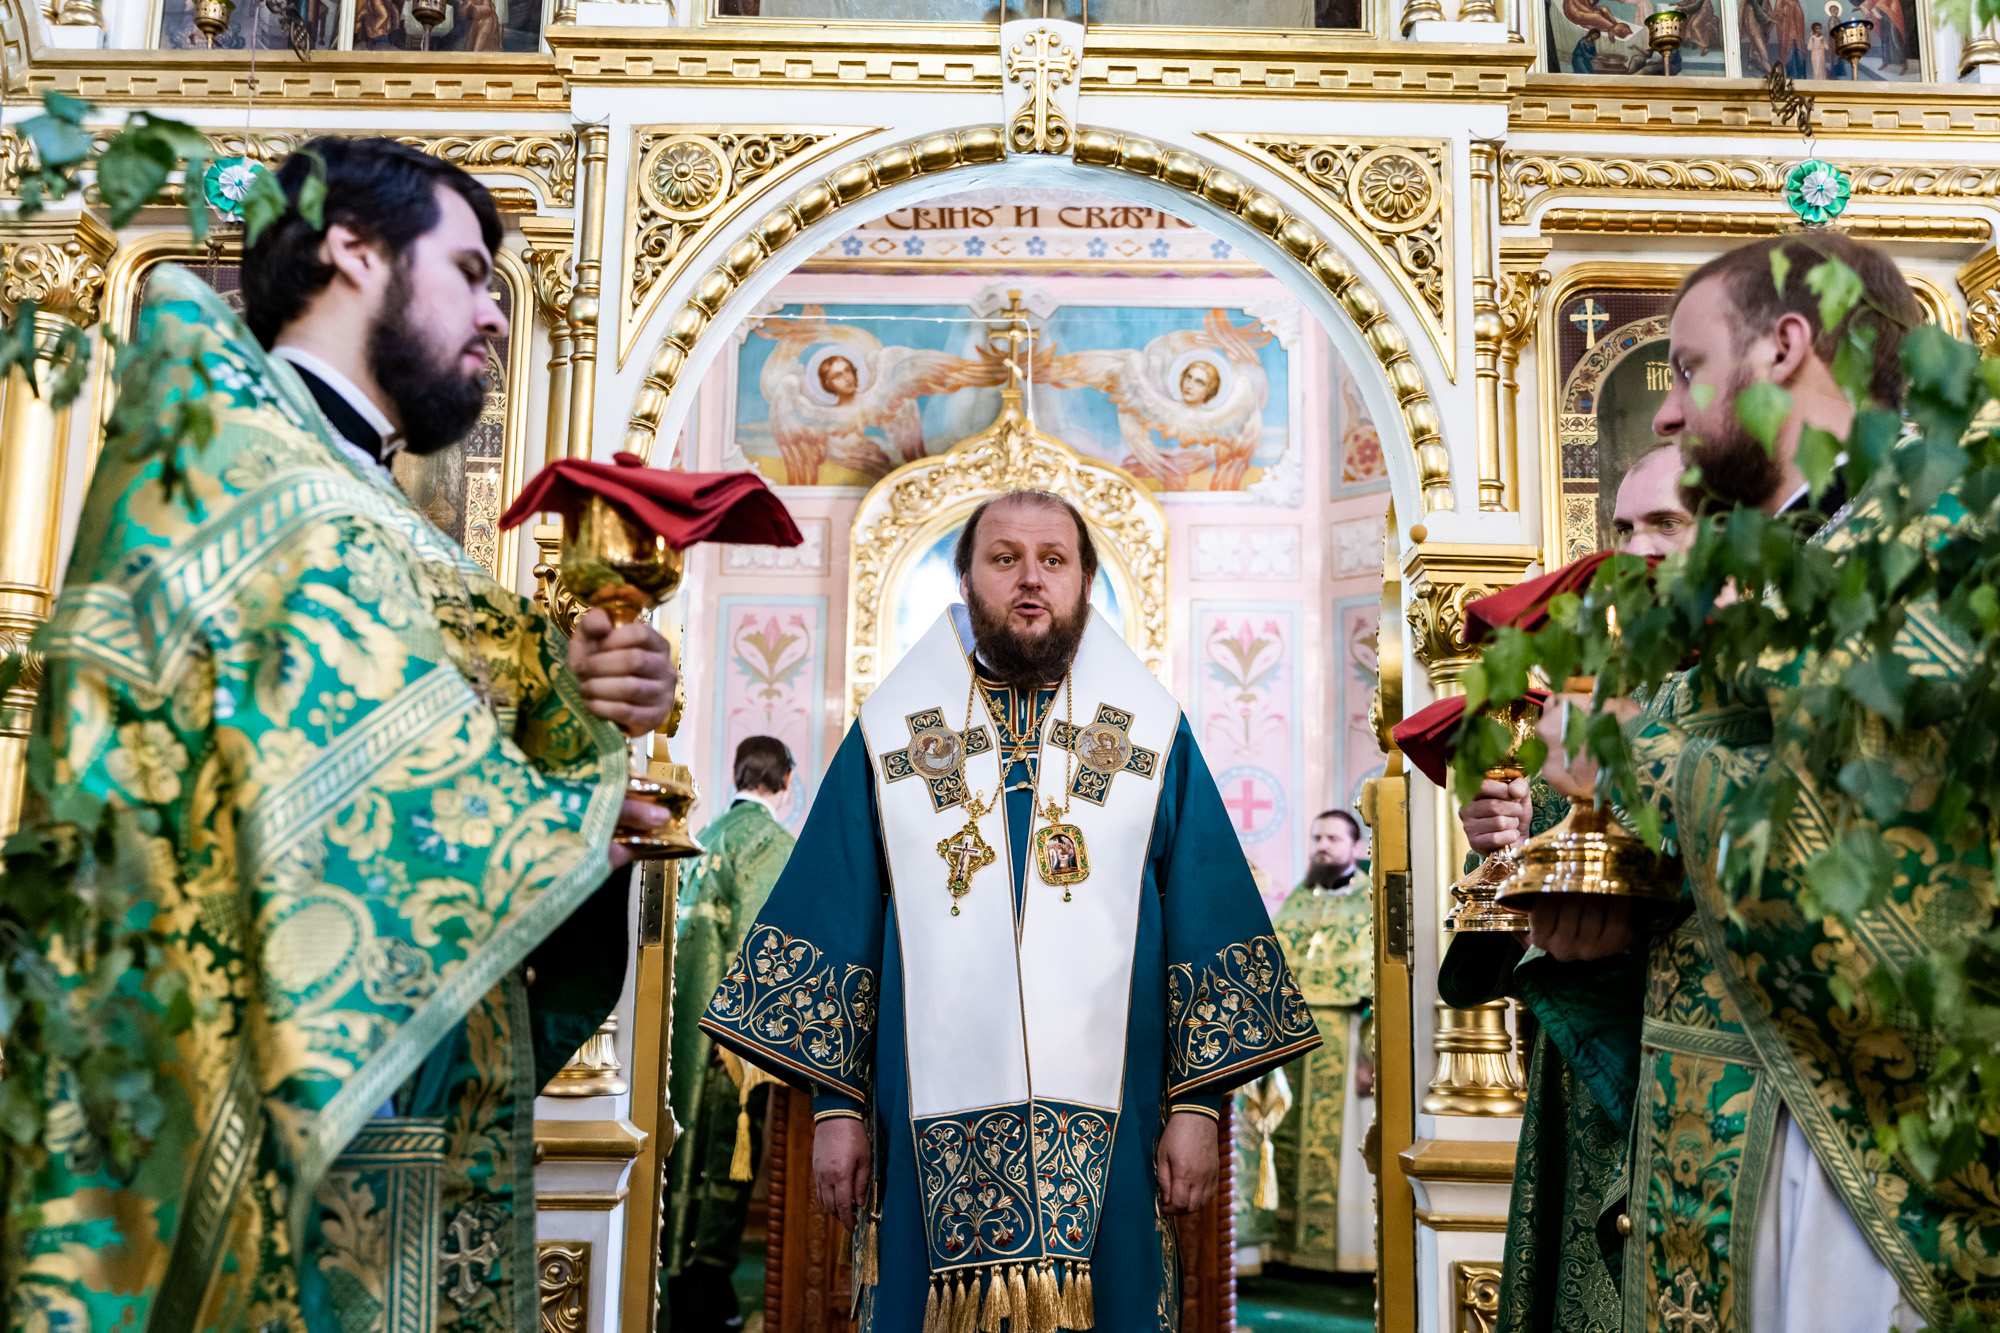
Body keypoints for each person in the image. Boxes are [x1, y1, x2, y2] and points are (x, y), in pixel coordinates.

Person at [5, 138, 680, 1330]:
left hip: (413, 1128)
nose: (493, 315)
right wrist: (559, 816)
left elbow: (444, 757)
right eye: (470, 271)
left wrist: (576, 730)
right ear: (351, 248)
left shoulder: (371, 511)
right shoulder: (236, 460)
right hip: (250, 1119)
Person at [701, 488, 1317, 1327]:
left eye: (1053, 560)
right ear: (965, 580)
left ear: (1085, 584)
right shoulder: (893, 735)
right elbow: (836, 917)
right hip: (921, 1124)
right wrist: (839, 1109)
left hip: (1120, 1116)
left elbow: (1207, 923)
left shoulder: (1148, 734)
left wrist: (1199, 1109)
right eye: (1005, 559)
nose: (1031, 579)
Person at [1517, 235, 1940, 1333]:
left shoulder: (1935, 533)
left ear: (1785, 347)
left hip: (1876, 1151)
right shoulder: (1795, 551)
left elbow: (1883, 843)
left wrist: (1626, 762)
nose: (1664, 413)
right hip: (1752, 1125)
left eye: (1687, 368)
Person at [1440, 437, 1697, 1333]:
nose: (1636, 551)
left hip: (1692, 1090)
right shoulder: (1578, 705)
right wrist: (1500, 855)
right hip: (1581, 1107)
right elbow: (1484, 965)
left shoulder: (1755, 697)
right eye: (1622, 528)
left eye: (1666, 522)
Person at [666, 737, 802, 1333]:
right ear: (788, 781)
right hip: (730, 1040)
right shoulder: (773, 845)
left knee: (685, 1147)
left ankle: (676, 1275)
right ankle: (706, 1290)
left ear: (737, 774)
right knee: (724, 1153)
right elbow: (763, 947)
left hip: (679, 1031)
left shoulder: (699, 837)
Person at [1236, 809, 1376, 1273]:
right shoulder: (1296, 901)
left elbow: (1379, 986)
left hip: (1345, 1038)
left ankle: (1341, 1255)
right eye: (1317, 836)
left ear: (1355, 847)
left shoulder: (1370, 900)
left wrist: (1372, 1057)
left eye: (1334, 837)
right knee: (1285, 1136)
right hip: (1291, 1042)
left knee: (1341, 1149)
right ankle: (1287, 1248)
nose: (1323, 845)